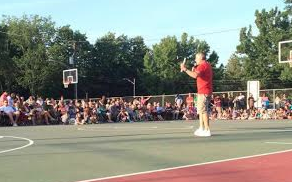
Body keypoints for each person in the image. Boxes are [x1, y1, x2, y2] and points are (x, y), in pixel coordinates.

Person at [180, 52, 213, 137]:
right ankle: (201, 128)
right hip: (204, 91)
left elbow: (195, 75)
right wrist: (194, 68)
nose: (195, 60)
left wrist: (185, 69)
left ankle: (207, 129)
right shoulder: (206, 65)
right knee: (201, 111)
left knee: (203, 110)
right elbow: (198, 74)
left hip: (204, 91)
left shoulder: (202, 66)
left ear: (201, 58)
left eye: (196, 58)